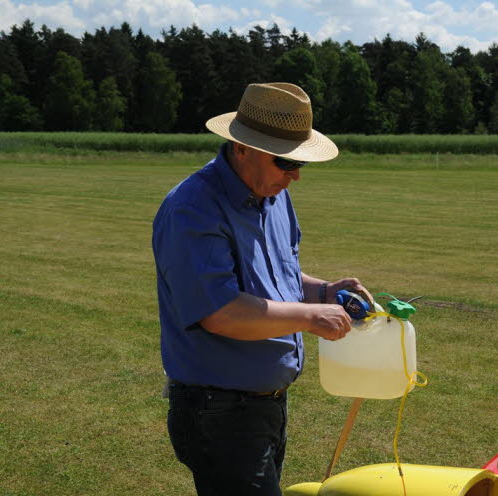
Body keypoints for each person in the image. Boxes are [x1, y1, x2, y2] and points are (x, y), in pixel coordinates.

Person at [151, 82, 373, 495]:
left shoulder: (273, 196)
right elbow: (222, 312)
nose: (295, 177)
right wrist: (311, 317)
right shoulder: (192, 209)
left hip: (265, 407)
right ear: (242, 148)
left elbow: (281, 282)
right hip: (219, 413)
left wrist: (324, 291)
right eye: (285, 163)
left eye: (299, 164)